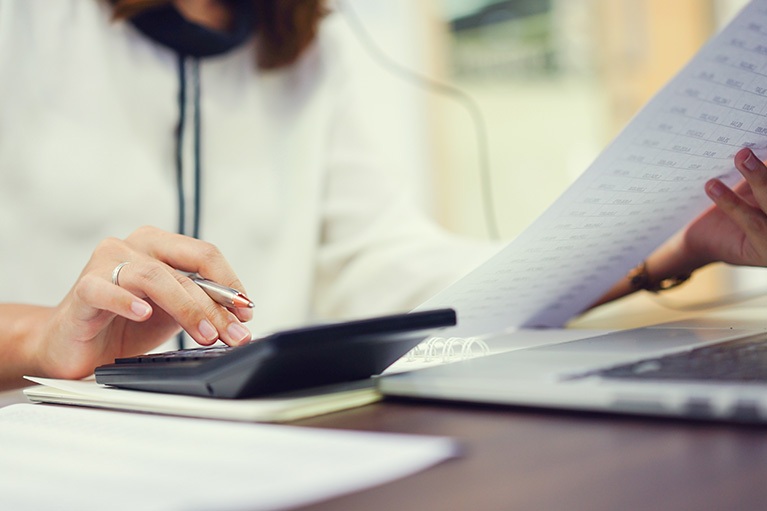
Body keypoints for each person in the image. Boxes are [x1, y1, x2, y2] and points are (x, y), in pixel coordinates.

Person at [0, 0, 766, 391]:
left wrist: (674, 246)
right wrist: (41, 340)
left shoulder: (304, 50)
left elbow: (404, 276)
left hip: (256, 448)